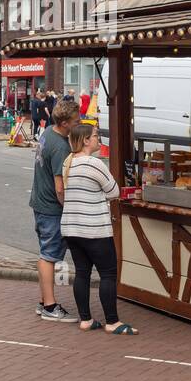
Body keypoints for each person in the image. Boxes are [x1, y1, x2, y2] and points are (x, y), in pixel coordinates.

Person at [61, 121, 134, 334]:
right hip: (94, 228)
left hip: (71, 228)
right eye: (95, 136)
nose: (98, 139)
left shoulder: (68, 162)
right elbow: (114, 191)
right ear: (85, 140)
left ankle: (86, 319)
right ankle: (112, 322)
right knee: (108, 273)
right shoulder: (94, 163)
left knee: (82, 272)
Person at [29, 98, 81, 322]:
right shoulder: (60, 146)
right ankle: (50, 306)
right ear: (66, 123)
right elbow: (60, 187)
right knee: (49, 256)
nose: (79, 123)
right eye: (76, 120)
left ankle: (44, 302)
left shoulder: (48, 132)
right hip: (51, 207)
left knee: (45, 253)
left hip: (39, 202)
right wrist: (69, 207)